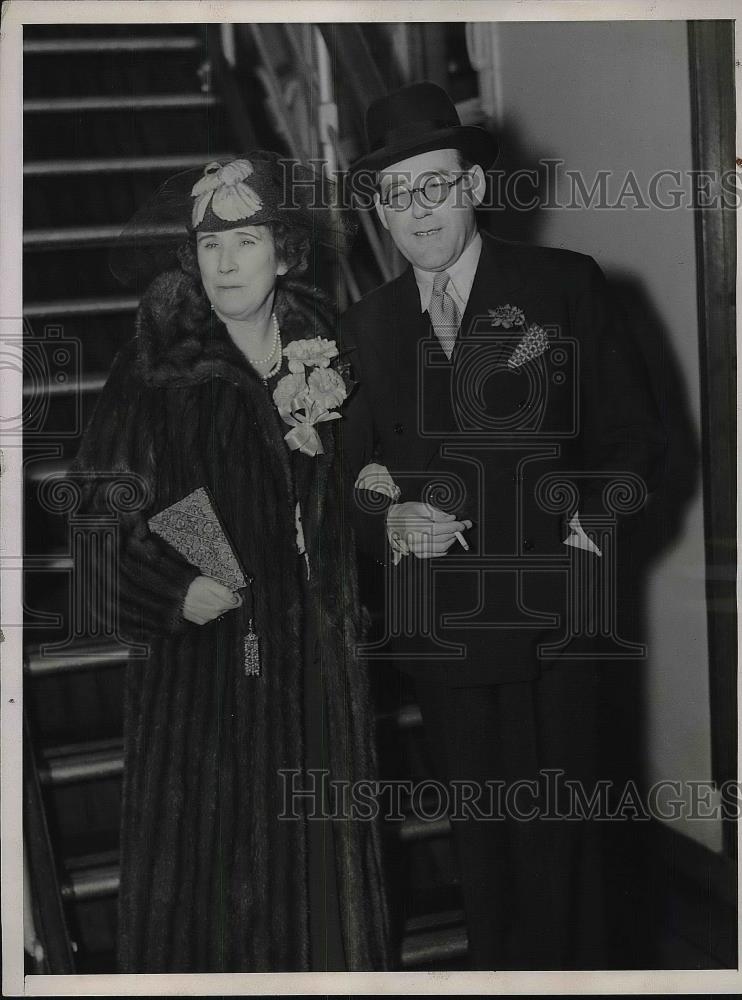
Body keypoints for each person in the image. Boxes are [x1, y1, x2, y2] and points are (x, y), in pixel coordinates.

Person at [341, 82, 666, 969]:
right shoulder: (366, 326)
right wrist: (389, 519)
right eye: (398, 194)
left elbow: (637, 440)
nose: (420, 210)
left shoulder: (562, 287)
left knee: (566, 853)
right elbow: (348, 485)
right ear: (379, 208)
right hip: (442, 637)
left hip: (555, 624)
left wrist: (589, 531)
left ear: (474, 187)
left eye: (434, 185)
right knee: (482, 858)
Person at [71, 152, 389, 973]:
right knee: (215, 900)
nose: (224, 263)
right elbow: (96, 519)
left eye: (243, 242)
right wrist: (175, 588)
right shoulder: (156, 370)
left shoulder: (331, 351)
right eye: (208, 246)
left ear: (283, 251)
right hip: (206, 681)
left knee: (325, 895)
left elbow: (358, 489)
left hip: (317, 664)